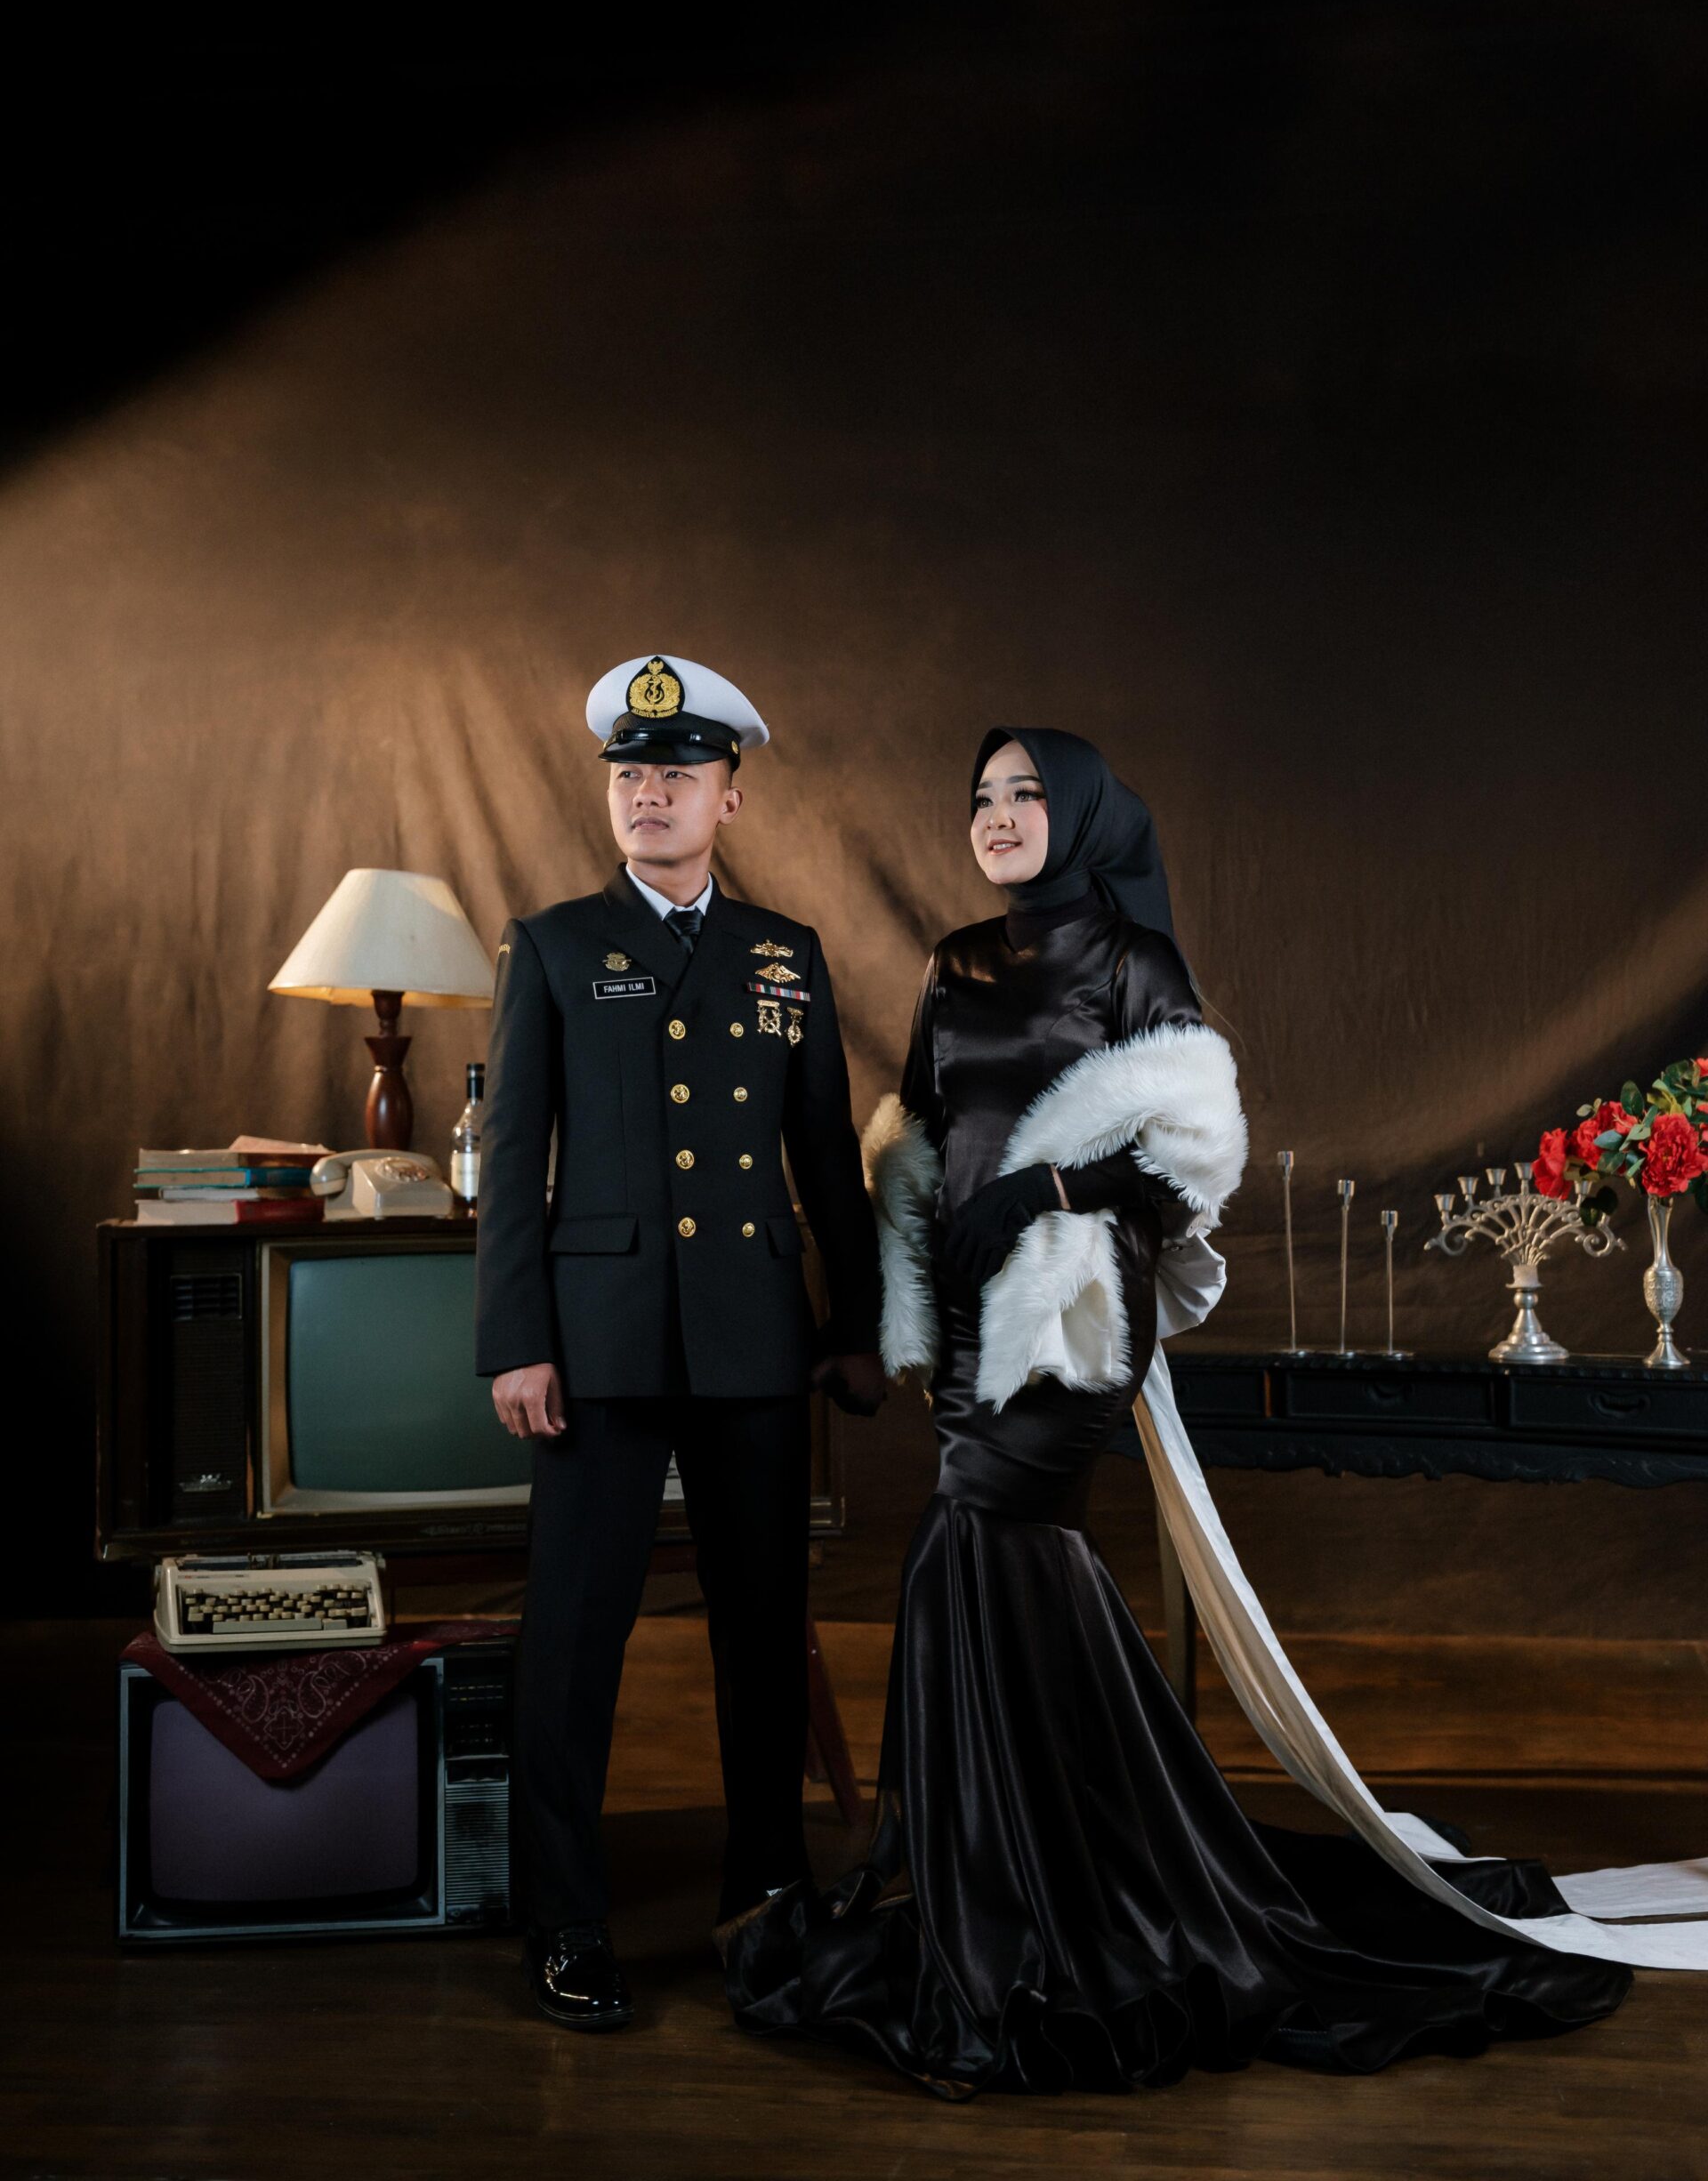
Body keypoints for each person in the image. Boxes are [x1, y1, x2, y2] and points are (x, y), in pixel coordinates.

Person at [721, 725, 1631, 2097]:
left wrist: (1045, 1192)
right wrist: (899, 1279)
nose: (999, 815)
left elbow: (1185, 1171)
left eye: (1028, 794)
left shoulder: (1134, 964)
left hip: (1075, 1313)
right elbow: (917, 1126)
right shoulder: (954, 963)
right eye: (982, 797)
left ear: (1083, 815)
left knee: (981, 1543)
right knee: (977, 1561)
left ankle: (1034, 1882)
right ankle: (1032, 1863)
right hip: (968, 1318)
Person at [476, 653, 885, 2032]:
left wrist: (857, 1326)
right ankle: (565, 1918)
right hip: (596, 1345)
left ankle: (766, 1892)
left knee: (764, 1631)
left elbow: (826, 1156)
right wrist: (515, 1341)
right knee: (573, 1637)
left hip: (754, 1339)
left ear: (730, 797)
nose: (648, 793)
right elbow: (513, 1163)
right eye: (631, 775)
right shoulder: (552, 946)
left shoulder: (785, 953)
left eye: (677, 774)